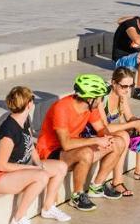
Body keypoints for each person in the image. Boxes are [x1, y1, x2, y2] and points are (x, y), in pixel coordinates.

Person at [0, 86, 71, 224]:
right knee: (41, 176)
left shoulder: (25, 120)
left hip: (19, 169)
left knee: (61, 167)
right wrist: (34, 170)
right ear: (29, 104)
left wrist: (39, 164)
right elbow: (1, 165)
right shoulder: (8, 131)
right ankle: (18, 219)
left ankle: (48, 208)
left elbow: (30, 146)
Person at [35, 74, 129, 211]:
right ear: (90, 98)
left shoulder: (90, 108)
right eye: (100, 97)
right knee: (86, 152)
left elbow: (101, 129)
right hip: (50, 152)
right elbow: (66, 144)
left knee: (118, 142)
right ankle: (77, 196)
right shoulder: (61, 108)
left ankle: (97, 187)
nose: (101, 101)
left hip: (72, 149)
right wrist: (97, 140)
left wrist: (108, 138)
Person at [103, 67, 140, 191]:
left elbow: (129, 117)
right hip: (95, 131)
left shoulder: (122, 94)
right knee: (123, 136)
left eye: (131, 86)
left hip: (108, 130)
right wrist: (133, 124)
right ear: (114, 83)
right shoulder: (103, 97)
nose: (128, 90)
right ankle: (116, 182)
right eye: (124, 86)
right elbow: (104, 127)